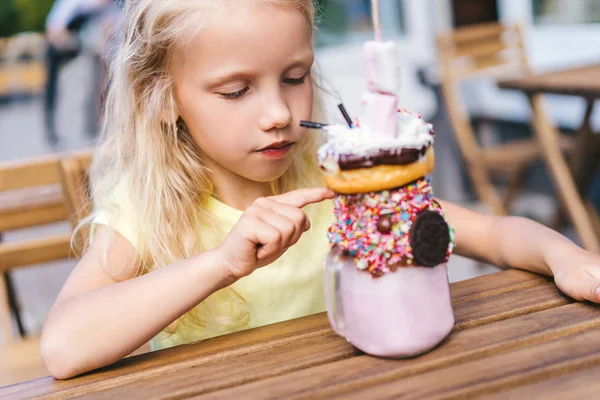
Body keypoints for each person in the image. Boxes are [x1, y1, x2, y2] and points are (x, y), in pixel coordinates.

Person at [40, 0, 600, 380]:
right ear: (164, 99)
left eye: (294, 77)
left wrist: (564, 255)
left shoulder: (342, 188)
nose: (279, 114)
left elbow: (495, 232)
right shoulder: (151, 213)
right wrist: (220, 264)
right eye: (236, 91)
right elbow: (64, 347)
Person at [44, 0, 117, 144]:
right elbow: (54, 31)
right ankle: (54, 130)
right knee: (55, 91)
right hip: (66, 53)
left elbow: (112, 31)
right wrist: (78, 43)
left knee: (98, 87)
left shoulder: (110, 9)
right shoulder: (75, 4)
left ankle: (92, 127)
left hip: (94, 55)